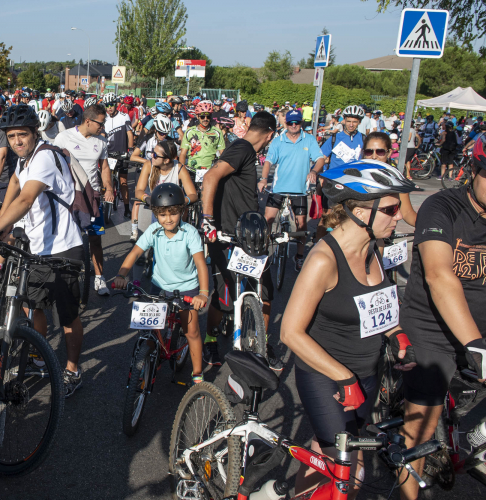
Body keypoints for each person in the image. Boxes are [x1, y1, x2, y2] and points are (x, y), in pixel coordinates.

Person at [281, 159, 419, 499]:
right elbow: (290, 332)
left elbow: (378, 306)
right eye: (390, 208)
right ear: (359, 210)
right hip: (327, 376)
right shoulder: (323, 260)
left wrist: (395, 333)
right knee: (343, 467)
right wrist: (343, 377)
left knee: (324, 452)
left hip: (366, 373)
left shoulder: (373, 247)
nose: (399, 215)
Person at [0, 104, 86, 397]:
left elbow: (27, 199)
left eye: (22, 135)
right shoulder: (24, 159)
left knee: (68, 316)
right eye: (12, 136)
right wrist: (2, 224)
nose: (17, 141)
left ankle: (72, 369)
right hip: (37, 246)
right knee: (34, 305)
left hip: (63, 247)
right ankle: (37, 355)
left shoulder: (44, 156)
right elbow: (15, 186)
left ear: (35, 133)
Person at [397, 136, 486, 500]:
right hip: (433, 326)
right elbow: (438, 275)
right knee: (421, 427)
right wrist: (475, 344)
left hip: (478, 329)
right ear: (475, 171)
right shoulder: (442, 207)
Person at [200, 111, 279, 368]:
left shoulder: (245, 151)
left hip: (250, 236)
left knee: (264, 292)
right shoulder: (242, 148)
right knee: (224, 297)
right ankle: (210, 340)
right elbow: (211, 176)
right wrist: (208, 219)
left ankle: (262, 346)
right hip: (226, 236)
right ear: (270, 135)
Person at [112, 183, 209, 385]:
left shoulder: (189, 233)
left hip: (187, 287)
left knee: (192, 331)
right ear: (156, 214)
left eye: (173, 213)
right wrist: (121, 275)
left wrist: (203, 293)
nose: (168, 219)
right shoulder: (154, 230)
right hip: (160, 285)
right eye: (162, 214)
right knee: (148, 328)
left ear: (181, 211)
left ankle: (198, 373)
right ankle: (146, 358)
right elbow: (135, 252)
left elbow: (200, 263)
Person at [54, 102, 114, 296]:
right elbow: (52, 163)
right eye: (100, 123)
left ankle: (99, 278)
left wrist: (109, 188)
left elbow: (104, 168)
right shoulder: (64, 137)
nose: (102, 127)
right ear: (88, 121)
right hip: (69, 196)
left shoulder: (101, 141)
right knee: (66, 238)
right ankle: (62, 276)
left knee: (96, 239)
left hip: (93, 195)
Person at [258, 109, 325, 270]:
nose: (294, 125)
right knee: (268, 219)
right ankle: (263, 252)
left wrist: (314, 171)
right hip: (278, 189)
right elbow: (268, 162)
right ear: (286, 123)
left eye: (297, 122)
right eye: (290, 123)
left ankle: (299, 257)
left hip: (300, 190)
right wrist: (264, 179)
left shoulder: (309, 140)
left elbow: (320, 159)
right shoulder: (278, 140)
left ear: (301, 123)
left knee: (301, 226)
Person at [316, 105, 366, 242]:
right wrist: (319, 174)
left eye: (355, 122)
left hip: (354, 184)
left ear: (359, 122)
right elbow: (321, 158)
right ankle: (318, 243)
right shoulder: (334, 138)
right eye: (349, 121)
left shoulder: (363, 139)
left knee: (350, 216)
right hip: (334, 182)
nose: (351, 124)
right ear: (344, 120)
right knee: (327, 216)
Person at [131, 114, 176, 241]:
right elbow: (133, 156)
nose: (163, 136)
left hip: (162, 172)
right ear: (156, 130)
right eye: (161, 133)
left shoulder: (170, 141)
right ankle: (134, 229)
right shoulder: (148, 138)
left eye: (166, 133)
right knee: (138, 198)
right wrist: (148, 163)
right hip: (146, 171)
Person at [362, 132, 419, 227]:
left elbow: (407, 213)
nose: (374, 156)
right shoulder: (353, 175)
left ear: (389, 153)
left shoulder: (397, 179)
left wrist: (427, 227)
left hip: (382, 236)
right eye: (369, 152)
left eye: (380, 152)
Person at [134, 139, 198, 218]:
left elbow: (193, 195)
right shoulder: (148, 165)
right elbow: (138, 191)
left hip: (174, 211)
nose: (151, 156)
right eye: (152, 152)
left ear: (166, 160)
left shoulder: (179, 168)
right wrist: (146, 198)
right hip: (157, 209)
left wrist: (181, 201)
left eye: (155, 155)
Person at [103, 93, 134, 218]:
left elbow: (129, 134)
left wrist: (130, 150)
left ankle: (127, 208)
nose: (109, 107)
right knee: (104, 180)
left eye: (111, 105)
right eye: (107, 105)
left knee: (123, 182)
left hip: (121, 153)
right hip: (107, 153)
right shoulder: (103, 117)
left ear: (116, 105)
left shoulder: (123, 116)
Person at [179, 101, 225, 174]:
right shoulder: (189, 132)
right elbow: (183, 153)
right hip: (192, 169)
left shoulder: (217, 132)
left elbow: (222, 154)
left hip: (211, 170)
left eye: (208, 116)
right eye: (202, 116)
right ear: (197, 116)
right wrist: (181, 170)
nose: (205, 119)